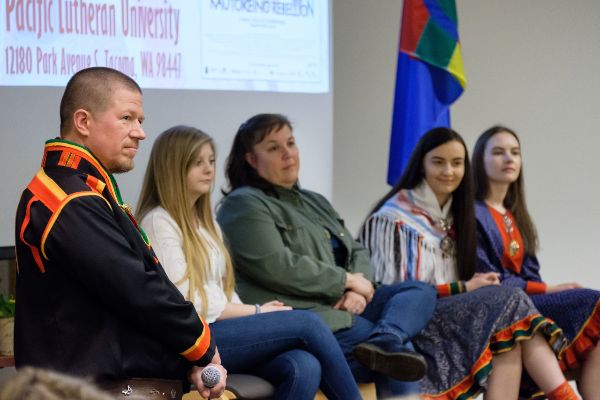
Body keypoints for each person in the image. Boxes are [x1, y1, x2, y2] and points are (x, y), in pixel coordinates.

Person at [14, 67, 226, 400]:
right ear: (83, 122)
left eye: (140, 120)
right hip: (81, 389)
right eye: (127, 118)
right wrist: (202, 347)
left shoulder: (81, 190)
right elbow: (135, 287)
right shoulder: (67, 199)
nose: (140, 133)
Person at [216, 113, 438, 398]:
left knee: (418, 290)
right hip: (307, 314)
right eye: (273, 148)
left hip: (346, 306)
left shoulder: (313, 200)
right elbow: (279, 266)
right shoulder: (242, 204)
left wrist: (360, 289)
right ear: (250, 159)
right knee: (402, 357)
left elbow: (356, 249)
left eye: (291, 143)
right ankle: (387, 344)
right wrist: (345, 281)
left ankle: (387, 338)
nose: (288, 154)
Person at [136, 125, 363, 400]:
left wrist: (256, 311)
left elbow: (223, 291)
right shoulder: (159, 221)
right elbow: (184, 301)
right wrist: (257, 312)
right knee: (308, 323)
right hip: (193, 340)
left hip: (219, 332)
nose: (209, 170)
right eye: (197, 163)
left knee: (304, 364)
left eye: (210, 161)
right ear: (172, 169)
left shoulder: (206, 224)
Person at [360, 127, 579, 400]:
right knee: (508, 299)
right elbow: (394, 291)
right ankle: (565, 396)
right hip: (408, 321)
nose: (448, 171)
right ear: (421, 165)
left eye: (457, 163)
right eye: (438, 162)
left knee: (506, 327)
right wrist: (464, 287)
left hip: (447, 312)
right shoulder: (393, 218)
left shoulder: (457, 214)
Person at [472, 125, 600, 399]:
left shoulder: (515, 215)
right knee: (595, 300)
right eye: (498, 152)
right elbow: (490, 279)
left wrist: (546, 289)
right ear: (479, 162)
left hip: (527, 303)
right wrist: (551, 290)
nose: (509, 159)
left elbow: (531, 274)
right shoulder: (473, 214)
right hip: (500, 306)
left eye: (515, 153)